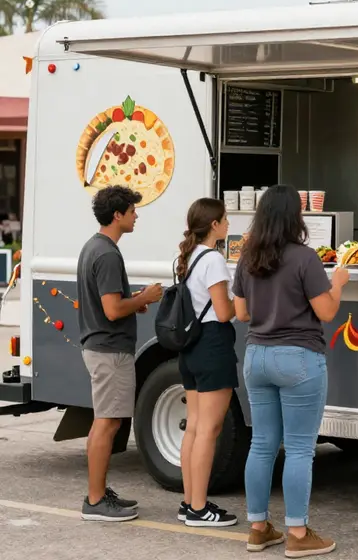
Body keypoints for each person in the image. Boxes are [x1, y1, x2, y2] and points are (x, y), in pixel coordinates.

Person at [233, 184, 349, 556]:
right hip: (298, 357)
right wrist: (338, 284)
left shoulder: (247, 258)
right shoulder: (304, 258)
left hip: (257, 356)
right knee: (299, 448)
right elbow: (327, 311)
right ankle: (297, 534)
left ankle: (258, 528)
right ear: (294, 217)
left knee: (262, 444)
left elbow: (241, 313)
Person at [77, 185, 163, 522]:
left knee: (105, 422)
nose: (136, 215)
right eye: (132, 210)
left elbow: (110, 304)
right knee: (108, 423)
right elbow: (112, 310)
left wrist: (132, 302)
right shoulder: (108, 254)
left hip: (100, 347)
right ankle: (96, 500)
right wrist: (145, 298)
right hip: (110, 350)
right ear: (117, 215)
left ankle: (98, 493)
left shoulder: (93, 247)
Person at [175, 197, 239, 528]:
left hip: (191, 347)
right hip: (213, 344)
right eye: (225, 219)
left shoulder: (188, 256)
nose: (228, 224)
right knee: (209, 430)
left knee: (195, 426)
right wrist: (245, 301)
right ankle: (199, 508)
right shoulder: (213, 259)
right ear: (214, 225)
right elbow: (224, 311)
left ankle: (189, 501)